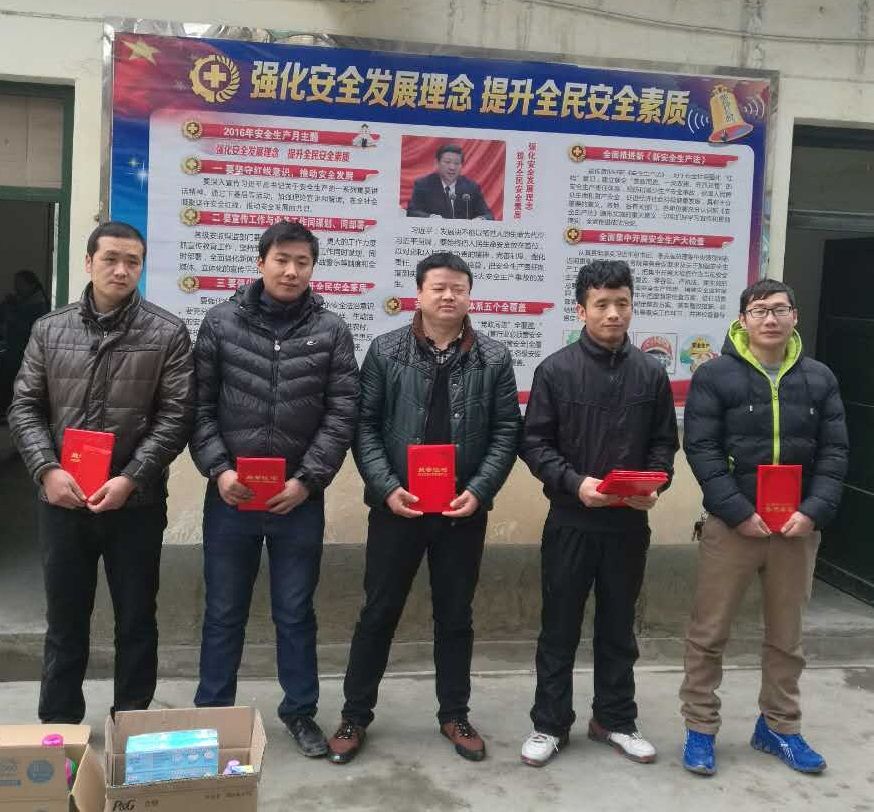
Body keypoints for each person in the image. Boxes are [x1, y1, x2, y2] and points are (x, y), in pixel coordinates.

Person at [326, 251, 520, 764]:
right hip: (398, 509)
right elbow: (365, 426)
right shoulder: (386, 351)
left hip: (460, 511)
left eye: (459, 288)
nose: (449, 296)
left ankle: (455, 714)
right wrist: (387, 487)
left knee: (455, 616)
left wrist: (479, 490)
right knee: (378, 612)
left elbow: (506, 432)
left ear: (470, 296)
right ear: (419, 294)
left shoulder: (494, 357)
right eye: (439, 287)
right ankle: (354, 715)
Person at [8, 221, 195, 722]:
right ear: (88, 262)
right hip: (62, 500)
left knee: (136, 619)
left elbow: (176, 417)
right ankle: (60, 726)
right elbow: (24, 407)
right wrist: (47, 470)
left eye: (132, 261)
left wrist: (131, 477)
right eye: (110, 258)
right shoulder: (50, 329)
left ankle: (130, 722)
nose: (121, 269)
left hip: (135, 504)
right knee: (65, 620)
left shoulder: (167, 332)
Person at [189, 220, 359, 758]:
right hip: (232, 498)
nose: (291, 271)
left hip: (297, 501)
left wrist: (308, 480)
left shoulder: (332, 330)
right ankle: (213, 712)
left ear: (312, 268)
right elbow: (199, 407)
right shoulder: (220, 323)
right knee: (223, 611)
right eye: (281, 259)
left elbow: (341, 414)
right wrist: (220, 470)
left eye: (302, 262)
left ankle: (300, 711)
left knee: (295, 611)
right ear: (261, 261)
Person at [680, 279, 848, 776]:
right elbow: (701, 448)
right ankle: (700, 728)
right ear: (743, 320)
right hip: (732, 527)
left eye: (779, 309)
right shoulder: (715, 376)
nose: (770, 319)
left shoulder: (819, 378)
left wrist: (813, 511)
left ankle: (779, 727)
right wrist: (736, 510)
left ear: (795, 316)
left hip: (796, 529)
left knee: (786, 637)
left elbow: (835, 452)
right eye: (759, 310)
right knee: (709, 633)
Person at [518, 259, 678, 767]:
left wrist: (657, 485)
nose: (613, 314)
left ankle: (615, 719)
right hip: (572, 521)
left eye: (622, 303)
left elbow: (663, 444)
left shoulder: (650, 372)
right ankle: (549, 724)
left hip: (628, 524)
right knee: (559, 626)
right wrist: (575, 483)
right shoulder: (556, 370)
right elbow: (535, 444)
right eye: (602, 304)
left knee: (618, 627)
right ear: (581, 309)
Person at [0, 269, 50, 414]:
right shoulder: (24, 300)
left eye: (20, 284)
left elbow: (30, 328)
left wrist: (12, 317)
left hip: (23, 350)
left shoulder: (38, 304)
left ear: (31, 285)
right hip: (15, 348)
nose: (16, 287)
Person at [406, 145, 494, 220]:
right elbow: (412, 212)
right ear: (437, 163)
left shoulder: (471, 187)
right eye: (447, 162)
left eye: (457, 163)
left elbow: (488, 215)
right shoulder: (423, 185)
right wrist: (431, 218)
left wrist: (480, 219)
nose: (452, 167)